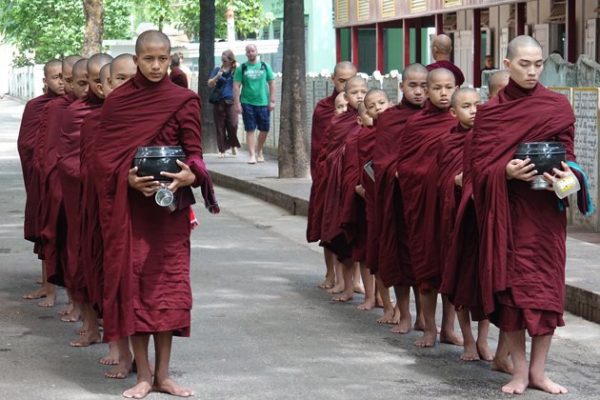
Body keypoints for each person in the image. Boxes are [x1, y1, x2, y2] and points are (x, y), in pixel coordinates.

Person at [92, 30, 218, 398]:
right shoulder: (118, 103)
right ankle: (143, 374)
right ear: (136, 58)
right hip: (131, 213)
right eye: (148, 59)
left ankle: (163, 375)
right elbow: (102, 161)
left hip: (169, 213)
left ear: (170, 58)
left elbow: (194, 152)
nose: (156, 65)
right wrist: (126, 181)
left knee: (168, 291)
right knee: (134, 288)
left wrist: (191, 174)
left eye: (162, 58)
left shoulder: (183, 100)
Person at [469, 35, 592, 395]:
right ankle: (519, 372)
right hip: (507, 216)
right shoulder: (490, 114)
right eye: (524, 64)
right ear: (507, 65)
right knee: (511, 295)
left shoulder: (556, 108)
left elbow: (569, 155)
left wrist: (569, 175)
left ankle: (539, 372)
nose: (533, 71)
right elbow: (478, 169)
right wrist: (504, 172)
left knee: (545, 293)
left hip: (544, 216)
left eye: (538, 64)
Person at [396, 68, 462, 348]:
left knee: (451, 270)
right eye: (437, 88)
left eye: (449, 87)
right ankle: (429, 329)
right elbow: (405, 167)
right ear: (429, 90)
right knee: (426, 270)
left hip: (451, 209)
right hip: (423, 208)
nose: (443, 93)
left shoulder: (461, 124)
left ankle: (448, 328)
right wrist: (437, 176)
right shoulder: (416, 125)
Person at [436, 88, 493, 362]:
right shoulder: (447, 143)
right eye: (466, 106)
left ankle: (483, 340)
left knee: (484, 283)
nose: (473, 110)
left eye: (477, 104)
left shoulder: (490, 140)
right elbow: (440, 180)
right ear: (453, 113)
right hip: (457, 222)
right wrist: (454, 182)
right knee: (460, 281)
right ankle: (467, 340)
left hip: (483, 221)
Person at [374, 64, 428, 334]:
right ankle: (404, 314)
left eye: (423, 86)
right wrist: (395, 170)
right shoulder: (388, 119)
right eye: (413, 86)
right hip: (397, 199)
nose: (419, 92)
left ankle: (424, 317)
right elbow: (381, 159)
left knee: (423, 259)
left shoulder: (436, 120)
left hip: (425, 201)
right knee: (399, 257)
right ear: (402, 87)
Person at [34, 55, 83, 310]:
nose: (66, 84)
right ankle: (55, 291)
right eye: (62, 78)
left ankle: (84, 308)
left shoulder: (102, 108)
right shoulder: (53, 108)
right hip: (58, 182)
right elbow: (40, 149)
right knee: (57, 238)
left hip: (86, 185)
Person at [308, 61, 357, 291]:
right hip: (326, 174)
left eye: (351, 80)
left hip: (349, 177)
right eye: (342, 81)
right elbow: (319, 146)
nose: (346, 85)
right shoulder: (324, 108)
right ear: (333, 80)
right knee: (327, 225)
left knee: (351, 227)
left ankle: (353, 280)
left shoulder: (361, 109)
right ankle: (330, 273)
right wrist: (320, 175)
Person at [19, 59, 64, 301]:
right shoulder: (36, 106)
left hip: (64, 177)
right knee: (45, 228)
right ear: (45, 80)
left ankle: (57, 283)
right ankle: (48, 284)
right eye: (55, 77)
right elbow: (25, 143)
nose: (61, 81)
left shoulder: (73, 106)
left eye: (63, 76)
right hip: (42, 175)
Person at [319, 76, 368, 302]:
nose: (359, 95)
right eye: (354, 92)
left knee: (365, 243)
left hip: (364, 190)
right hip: (341, 189)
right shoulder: (338, 123)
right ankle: (346, 285)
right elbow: (327, 154)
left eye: (363, 91)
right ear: (345, 97)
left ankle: (367, 290)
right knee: (344, 240)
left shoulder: (375, 120)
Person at [233, 44, 276, 164]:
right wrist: (237, 103)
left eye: (252, 51)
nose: (250, 53)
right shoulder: (242, 68)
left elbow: (272, 83)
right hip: (247, 102)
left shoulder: (264, 66)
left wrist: (272, 101)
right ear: (246, 54)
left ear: (257, 52)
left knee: (264, 129)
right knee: (250, 129)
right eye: (248, 51)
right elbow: (236, 86)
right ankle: (252, 155)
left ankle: (259, 149)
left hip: (263, 102)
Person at [208, 50, 241, 157]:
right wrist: (216, 77)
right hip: (219, 101)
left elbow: (240, 82)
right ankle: (222, 150)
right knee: (220, 126)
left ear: (231, 60)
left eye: (225, 60)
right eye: (222, 60)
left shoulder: (236, 70)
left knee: (233, 124)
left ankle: (232, 145)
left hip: (231, 101)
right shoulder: (218, 69)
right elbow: (209, 83)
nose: (223, 62)